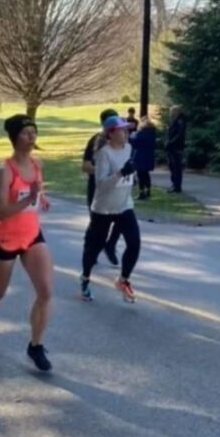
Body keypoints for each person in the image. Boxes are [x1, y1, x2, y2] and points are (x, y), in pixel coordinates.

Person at [0, 114, 54, 372]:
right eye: (26, 133)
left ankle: (36, 346)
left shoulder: (37, 164)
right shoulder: (5, 170)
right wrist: (29, 198)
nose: (32, 137)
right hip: (6, 238)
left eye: (34, 131)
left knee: (45, 292)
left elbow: (36, 191)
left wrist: (41, 198)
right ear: (14, 138)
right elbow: (2, 211)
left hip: (32, 235)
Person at [80, 115, 141, 303]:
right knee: (95, 246)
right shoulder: (103, 154)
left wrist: (132, 176)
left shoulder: (129, 148)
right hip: (104, 208)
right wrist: (121, 173)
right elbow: (101, 184)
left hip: (124, 205)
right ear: (111, 134)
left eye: (127, 129)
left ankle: (123, 280)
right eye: (122, 130)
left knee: (134, 243)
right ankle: (85, 278)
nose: (126, 133)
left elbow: (128, 173)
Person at [81, 108, 122, 265]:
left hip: (118, 189)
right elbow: (85, 166)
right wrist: (103, 170)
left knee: (122, 219)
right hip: (98, 188)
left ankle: (110, 245)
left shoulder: (122, 140)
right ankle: (91, 250)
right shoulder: (96, 140)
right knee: (97, 223)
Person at [129, 116, 157, 200]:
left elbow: (134, 140)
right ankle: (148, 190)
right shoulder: (152, 133)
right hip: (149, 155)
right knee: (146, 174)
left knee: (140, 174)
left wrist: (132, 136)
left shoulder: (142, 133)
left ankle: (142, 192)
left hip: (140, 156)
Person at [165, 105, 187, 193]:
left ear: (177, 112)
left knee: (176, 166)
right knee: (172, 165)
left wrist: (171, 142)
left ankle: (177, 186)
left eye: (173, 112)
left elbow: (179, 134)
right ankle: (174, 184)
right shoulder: (173, 121)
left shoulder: (180, 121)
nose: (171, 113)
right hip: (172, 146)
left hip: (176, 146)